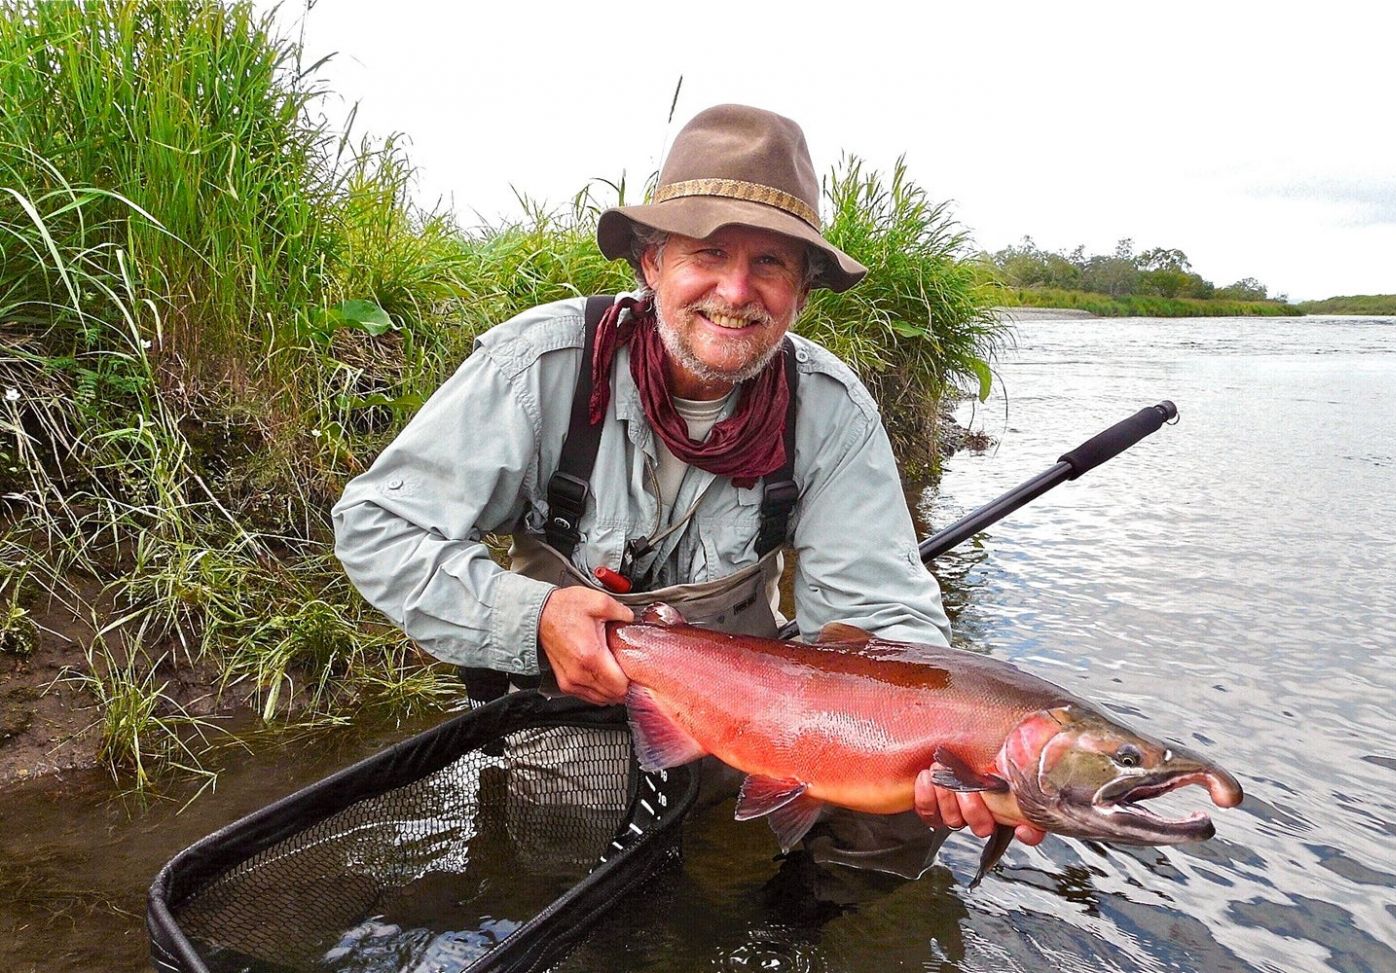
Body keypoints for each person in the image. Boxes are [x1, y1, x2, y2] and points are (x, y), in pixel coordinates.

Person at [331, 104, 1044, 874]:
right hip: (572, 701)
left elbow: (880, 615)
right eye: (709, 253)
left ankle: (797, 922)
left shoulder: (831, 412)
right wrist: (533, 616)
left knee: (901, 804)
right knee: (566, 838)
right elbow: (377, 525)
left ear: (802, 290)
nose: (736, 291)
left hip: (757, 709)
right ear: (652, 263)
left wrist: (946, 743)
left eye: (770, 263)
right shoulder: (540, 370)